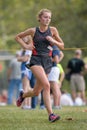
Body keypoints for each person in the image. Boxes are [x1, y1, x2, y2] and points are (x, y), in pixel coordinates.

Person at [15, 8, 64, 122]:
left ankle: (23, 95)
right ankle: (51, 115)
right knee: (47, 86)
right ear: (40, 18)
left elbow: (62, 46)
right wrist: (26, 46)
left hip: (47, 62)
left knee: (36, 92)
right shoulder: (33, 31)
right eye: (45, 17)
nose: (48, 19)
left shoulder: (53, 30)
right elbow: (18, 37)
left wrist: (54, 41)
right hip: (35, 61)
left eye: (49, 17)